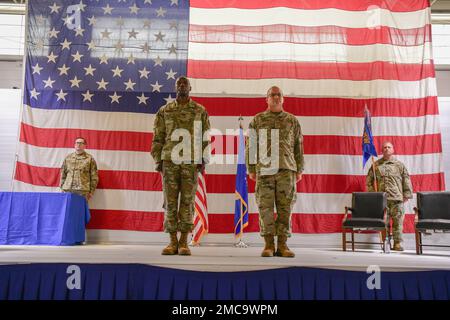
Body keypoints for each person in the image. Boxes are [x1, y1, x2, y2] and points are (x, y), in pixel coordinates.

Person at [151, 76, 210, 256]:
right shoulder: (165, 110)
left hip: (191, 163)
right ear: (175, 87)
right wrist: (158, 160)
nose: (182, 86)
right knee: (170, 202)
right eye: (179, 84)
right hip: (170, 162)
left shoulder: (200, 110)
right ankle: (172, 242)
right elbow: (158, 137)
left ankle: (184, 241)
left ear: (190, 87)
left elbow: (206, 137)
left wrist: (203, 159)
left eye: (185, 83)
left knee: (187, 201)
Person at [246, 86, 304, 258]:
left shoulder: (292, 120)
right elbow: (251, 146)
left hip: (287, 170)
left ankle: (283, 245)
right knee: (265, 209)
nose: (276, 97)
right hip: (265, 171)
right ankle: (269, 245)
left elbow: (298, 146)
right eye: (273, 95)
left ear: (283, 99)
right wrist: (251, 168)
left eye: (279, 95)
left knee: (286, 208)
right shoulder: (257, 120)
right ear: (267, 99)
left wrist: (299, 169)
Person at [366, 141, 413, 251]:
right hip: (382, 200)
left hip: (397, 199)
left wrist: (406, 195)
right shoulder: (375, 165)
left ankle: (397, 243)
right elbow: (369, 181)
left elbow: (406, 180)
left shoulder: (399, 165)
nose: (387, 149)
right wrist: (375, 195)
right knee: (384, 223)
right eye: (384, 147)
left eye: (389, 147)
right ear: (381, 151)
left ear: (393, 150)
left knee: (398, 223)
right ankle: (385, 243)